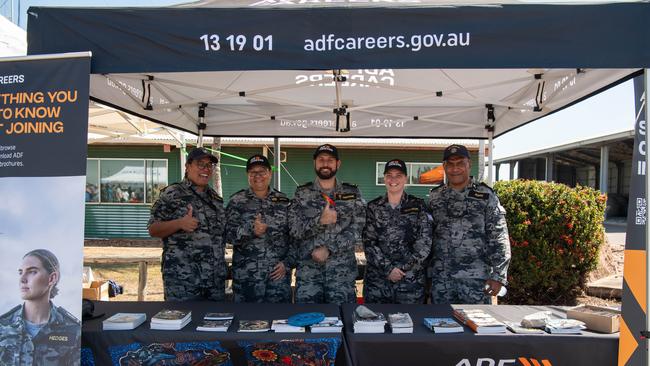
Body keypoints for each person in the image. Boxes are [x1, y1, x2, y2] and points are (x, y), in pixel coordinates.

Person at [428, 144, 511, 304]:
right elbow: (428, 239)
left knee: (474, 326)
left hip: (476, 281)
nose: (455, 169)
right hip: (442, 281)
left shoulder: (486, 196)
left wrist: (499, 275)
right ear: (444, 167)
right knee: (440, 325)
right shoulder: (435, 197)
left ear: (469, 164)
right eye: (450, 164)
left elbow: (499, 236)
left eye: (460, 163)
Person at [289, 144, 366, 304]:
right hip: (309, 275)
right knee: (307, 322)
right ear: (314, 163)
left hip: (341, 275)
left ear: (338, 164)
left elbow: (357, 229)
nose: (325, 164)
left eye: (330, 160)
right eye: (321, 160)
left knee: (342, 322)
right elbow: (294, 229)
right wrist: (320, 221)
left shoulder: (352, 193)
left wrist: (329, 249)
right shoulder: (302, 193)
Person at [148, 147, 226, 301]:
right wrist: (179, 223)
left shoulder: (215, 199)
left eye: (209, 165)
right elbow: (153, 229)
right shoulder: (172, 193)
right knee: (182, 322)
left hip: (214, 282)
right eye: (200, 164)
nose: (206, 169)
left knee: (214, 323)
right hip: (183, 281)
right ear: (188, 166)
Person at [225, 154, 294, 303]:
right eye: (253, 172)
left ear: (269, 173)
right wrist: (251, 231)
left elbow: (295, 238)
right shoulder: (236, 202)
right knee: (246, 322)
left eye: (262, 171)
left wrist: (287, 264)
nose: (258, 176)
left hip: (277, 280)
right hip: (247, 279)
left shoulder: (284, 202)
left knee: (278, 321)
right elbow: (227, 235)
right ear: (248, 175)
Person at [363, 159, 432, 304]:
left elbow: (424, 242)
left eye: (398, 175)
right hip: (378, 283)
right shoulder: (373, 207)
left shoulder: (418, 206)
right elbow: (368, 242)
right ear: (384, 178)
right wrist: (388, 269)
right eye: (389, 175)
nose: (393, 179)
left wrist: (401, 269)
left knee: (410, 325)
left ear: (405, 178)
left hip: (410, 283)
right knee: (375, 324)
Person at [0, 249, 80, 366]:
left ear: (52, 278)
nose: (22, 279)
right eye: (20, 272)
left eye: (32, 272)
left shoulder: (73, 330)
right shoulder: (3, 326)